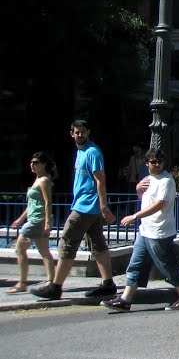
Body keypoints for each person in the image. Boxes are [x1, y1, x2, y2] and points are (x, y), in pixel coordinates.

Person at [100, 149, 179, 312]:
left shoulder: (166, 180)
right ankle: (125, 300)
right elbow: (145, 200)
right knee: (136, 265)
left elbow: (160, 204)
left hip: (159, 232)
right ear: (146, 163)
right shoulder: (147, 180)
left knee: (168, 265)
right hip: (145, 231)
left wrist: (134, 216)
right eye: (153, 162)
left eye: (159, 162)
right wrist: (138, 189)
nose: (157, 165)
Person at [31, 120, 117, 301]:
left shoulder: (92, 152)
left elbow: (100, 180)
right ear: (71, 134)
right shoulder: (80, 152)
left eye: (83, 132)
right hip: (88, 207)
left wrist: (104, 206)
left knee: (67, 241)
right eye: (77, 132)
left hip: (85, 206)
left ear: (88, 132)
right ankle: (108, 284)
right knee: (98, 244)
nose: (80, 135)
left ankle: (55, 287)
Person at [7, 152, 56, 294]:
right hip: (34, 218)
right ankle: (51, 281)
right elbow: (31, 205)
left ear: (43, 164)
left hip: (38, 220)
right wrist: (20, 219)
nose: (32, 165)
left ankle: (23, 283)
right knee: (44, 251)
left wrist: (47, 223)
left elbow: (47, 202)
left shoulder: (44, 180)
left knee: (19, 249)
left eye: (36, 163)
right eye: (31, 162)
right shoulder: (37, 179)